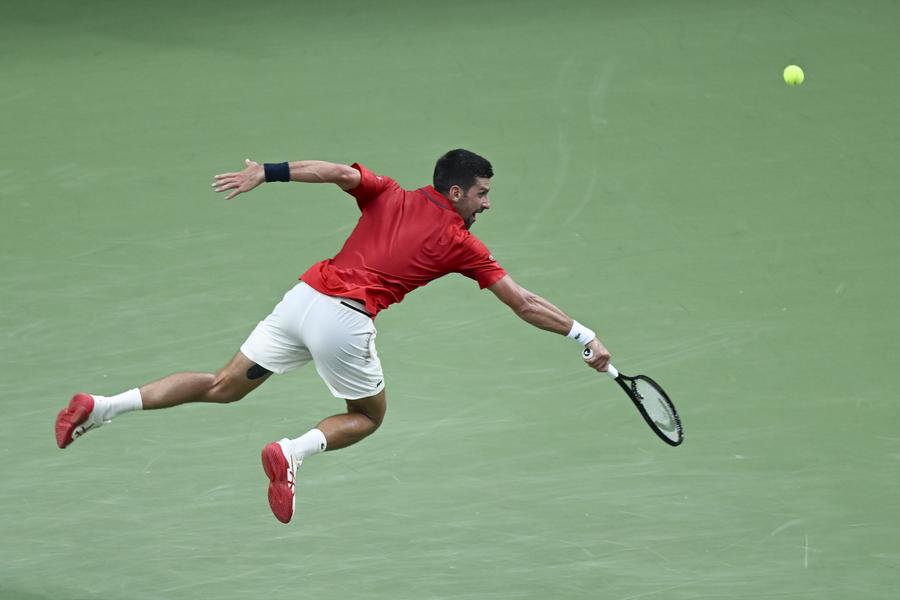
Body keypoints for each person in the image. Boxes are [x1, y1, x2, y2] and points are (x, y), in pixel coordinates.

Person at [54, 149, 611, 524]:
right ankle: (290, 452)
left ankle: (101, 406)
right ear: (457, 190)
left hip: (301, 300)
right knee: (367, 416)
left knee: (223, 385)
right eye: (482, 193)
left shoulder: (389, 192)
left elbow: (339, 173)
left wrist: (267, 172)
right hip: (344, 321)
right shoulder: (462, 243)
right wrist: (583, 336)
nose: (487, 203)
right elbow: (524, 302)